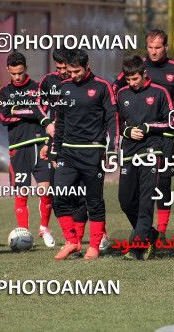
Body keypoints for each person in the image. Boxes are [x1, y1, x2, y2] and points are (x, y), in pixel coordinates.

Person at [112, 29, 174, 241]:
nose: (153, 52)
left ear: (166, 47)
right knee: (130, 196)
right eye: (150, 48)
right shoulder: (133, 71)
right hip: (133, 143)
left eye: (158, 47)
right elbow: (114, 96)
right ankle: (148, 232)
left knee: (161, 184)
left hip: (164, 137)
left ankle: (159, 231)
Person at [52, 49, 119, 260]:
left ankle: (94, 246)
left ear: (86, 66)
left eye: (76, 71)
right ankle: (72, 241)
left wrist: (111, 149)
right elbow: (60, 121)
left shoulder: (102, 86)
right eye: (69, 72)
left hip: (92, 152)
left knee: (94, 201)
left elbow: (112, 120)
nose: (73, 75)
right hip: (68, 153)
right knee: (59, 197)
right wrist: (55, 149)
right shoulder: (63, 88)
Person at [117, 55, 173, 260]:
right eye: (128, 80)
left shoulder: (160, 93)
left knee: (145, 201)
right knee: (125, 201)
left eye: (135, 79)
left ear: (144, 75)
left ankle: (137, 246)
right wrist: (127, 133)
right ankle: (149, 233)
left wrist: (148, 127)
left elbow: (171, 121)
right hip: (129, 152)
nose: (131, 84)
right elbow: (117, 123)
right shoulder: (121, 93)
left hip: (151, 151)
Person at [0, 52, 54, 247]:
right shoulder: (4, 92)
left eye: (20, 72)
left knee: (46, 190)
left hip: (39, 145)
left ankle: (44, 229)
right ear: (8, 71)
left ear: (25, 69)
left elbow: (44, 112)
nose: (18, 77)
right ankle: (24, 233)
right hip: (18, 148)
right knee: (22, 192)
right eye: (14, 74)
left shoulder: (38, 89)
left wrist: (16, 109)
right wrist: (29, 111)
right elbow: (4, 118)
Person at [39, 48, 88, 252]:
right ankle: (59, 234)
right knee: (58, 190)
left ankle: (90, 236)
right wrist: (47, 126)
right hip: (57, 143)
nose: (62, 72)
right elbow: (38, 105)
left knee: (84, 193)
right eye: (58, 68)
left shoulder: (85, 83)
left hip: (83, 146)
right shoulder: (49, 82)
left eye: (64, 68)